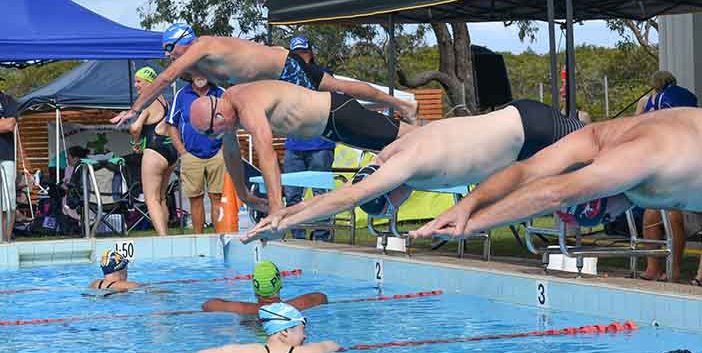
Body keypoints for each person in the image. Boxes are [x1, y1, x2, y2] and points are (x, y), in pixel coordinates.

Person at [410, 94, 702, 242]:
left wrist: (472, 225)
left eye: (595, 218)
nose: (603, 219)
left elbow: (554, 192)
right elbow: (525, 170)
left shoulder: (636, 156)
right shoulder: (594, 138)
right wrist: (467, 204)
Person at [245, 100, 585, 242]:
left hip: (529, 128)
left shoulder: (404, 163)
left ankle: (587, 123)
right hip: (521, 132)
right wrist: (285, 214)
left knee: (607, 150)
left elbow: (348, 196)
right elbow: (349, 192)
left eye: (389, 200)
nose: (396, 202)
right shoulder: (393, 156)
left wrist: (284, 220)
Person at [111, 23, 417, 125]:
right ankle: (398, 106)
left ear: (184, 42)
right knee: (337, 89)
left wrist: (134, 110)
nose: (167, 55)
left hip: (286, 68)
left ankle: (399, 106)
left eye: (169, 48)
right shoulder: (195, 67)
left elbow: (162, 79)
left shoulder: (201, 46)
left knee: (335, 97)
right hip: (277, 75)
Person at [188, 80, 416, 216]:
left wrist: (276, 207)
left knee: (412, 137)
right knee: (400, 144)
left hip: (339, 116)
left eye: (211, 131)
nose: (214, 136)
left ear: (218, 114)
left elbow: (266, 152)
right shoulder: (228, 106)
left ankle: (446, 134)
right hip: (331, 128)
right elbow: (231, 153)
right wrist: (243, 195)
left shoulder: (247, 106)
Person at [635, 71, 699, 281]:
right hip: (673, 162)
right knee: (654, 214)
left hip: (673, 162)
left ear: (656, 86)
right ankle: (660, 267)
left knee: (667, 215)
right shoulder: (688, 97)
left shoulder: (657, 101)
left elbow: (638, 128)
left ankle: (664, 268)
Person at [282, 36, 337, 241]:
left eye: (304, 53)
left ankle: (323, 236)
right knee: (292, 195)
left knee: (321, 194)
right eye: (296, 55)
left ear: (311, 53)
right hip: (294, 144)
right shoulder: (285, 77)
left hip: (320, 144)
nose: (301, 57)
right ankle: (297, 236)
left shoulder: (324, 74)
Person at [167, 75, 226, 233]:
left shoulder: (221, 93)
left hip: (217, 154)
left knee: (217, 198)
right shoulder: (182, 94)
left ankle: (220, 239)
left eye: (203, 71)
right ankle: (199, 241)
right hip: (190, 155)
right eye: (196, 72)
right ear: (190, 75)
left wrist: (223, 150)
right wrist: (182, 151)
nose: (200, 75)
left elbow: (231, 122)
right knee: (195, 199)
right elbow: (171, 124)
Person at [192, 302, 340, 353]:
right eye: (302, 329)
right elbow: (333, 345)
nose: (305, 336)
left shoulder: (248, 352)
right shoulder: (307, 352)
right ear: (285, 331)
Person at [129, 67, 178, 236]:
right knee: (162, 197)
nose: (136, 85)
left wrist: (135, 143)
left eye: (138, 81)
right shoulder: (164, 100)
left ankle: (163, 239)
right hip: (171, 151)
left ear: (149, 82)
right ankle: (167, 237)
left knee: (151, 198)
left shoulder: (147, 102)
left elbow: (135, 128)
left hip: (155, 150)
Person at [202, 260, 327, 314]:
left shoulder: (246, 309)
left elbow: (208, 305)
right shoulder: (293, 307)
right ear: (280, 284)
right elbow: (321, 297)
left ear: (255, 288)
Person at [0, 88, 18, 241]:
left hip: (6, 158)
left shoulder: (8, 100)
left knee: (9, 203)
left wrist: (4, 123)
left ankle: (5, 241)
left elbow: (9, 125)